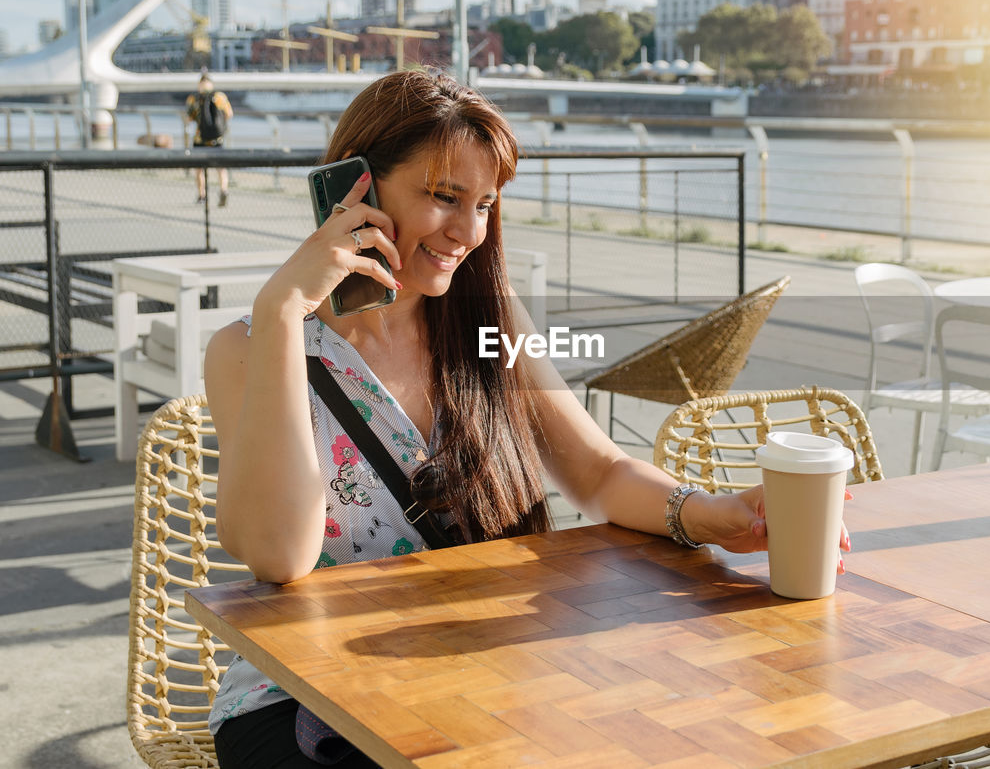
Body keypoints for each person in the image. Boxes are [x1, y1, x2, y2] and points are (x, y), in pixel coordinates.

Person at [203, 69, 849, 768]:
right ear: (356, 184)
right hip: (308, 702)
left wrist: (719, 513)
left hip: (480, 669)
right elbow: (277, 552)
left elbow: (597, 471)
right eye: (444, 197)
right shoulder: (251, 346)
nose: (468, 231)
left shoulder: (489, 324)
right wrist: (280, 312)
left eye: (484, 204)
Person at [184, 72, 234, 205]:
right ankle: (223, 190)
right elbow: (229, 114)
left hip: (200, 139)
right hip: (217, 139)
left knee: (199, 169)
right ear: (211, 84)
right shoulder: (219, 97)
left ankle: (202, 196)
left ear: (199, 84)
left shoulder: (193, 98)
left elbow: (188, 118)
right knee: (221, 168)